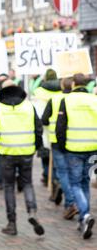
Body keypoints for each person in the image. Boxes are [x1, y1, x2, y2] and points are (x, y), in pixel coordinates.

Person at [0, 81, 44, 236]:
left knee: (8, 186)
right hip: (27, 151)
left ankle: (12, 223)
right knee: (27, 183)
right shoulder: (28, 106)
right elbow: (38, 129)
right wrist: (35, 146)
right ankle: (32, 211)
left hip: (7, 152)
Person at [56, 73, 97, 240]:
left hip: (73, 148)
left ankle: (85, 214)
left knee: (75, 183)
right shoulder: (94, 99)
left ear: (73, 84)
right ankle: (83, 219)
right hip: (93, 147)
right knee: (85, 182)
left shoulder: (67, 100)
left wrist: (61, 145)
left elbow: (61, 126)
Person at [42, 77, 78, 219]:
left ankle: (70, 203)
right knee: (73, 173)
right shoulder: (79, 99)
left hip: (57, 140)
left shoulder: (55, 99)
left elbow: (44, 119)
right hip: (76, 140)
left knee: (62, 172)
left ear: (62, 85)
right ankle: (70, 198)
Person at [32, 69, 61, 187]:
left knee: (44, 151)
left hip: (43, 125)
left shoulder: (38, 91)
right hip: (58, 125)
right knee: (56, 153)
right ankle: (55, 176)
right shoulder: (62, 90)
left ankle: (46, 175)